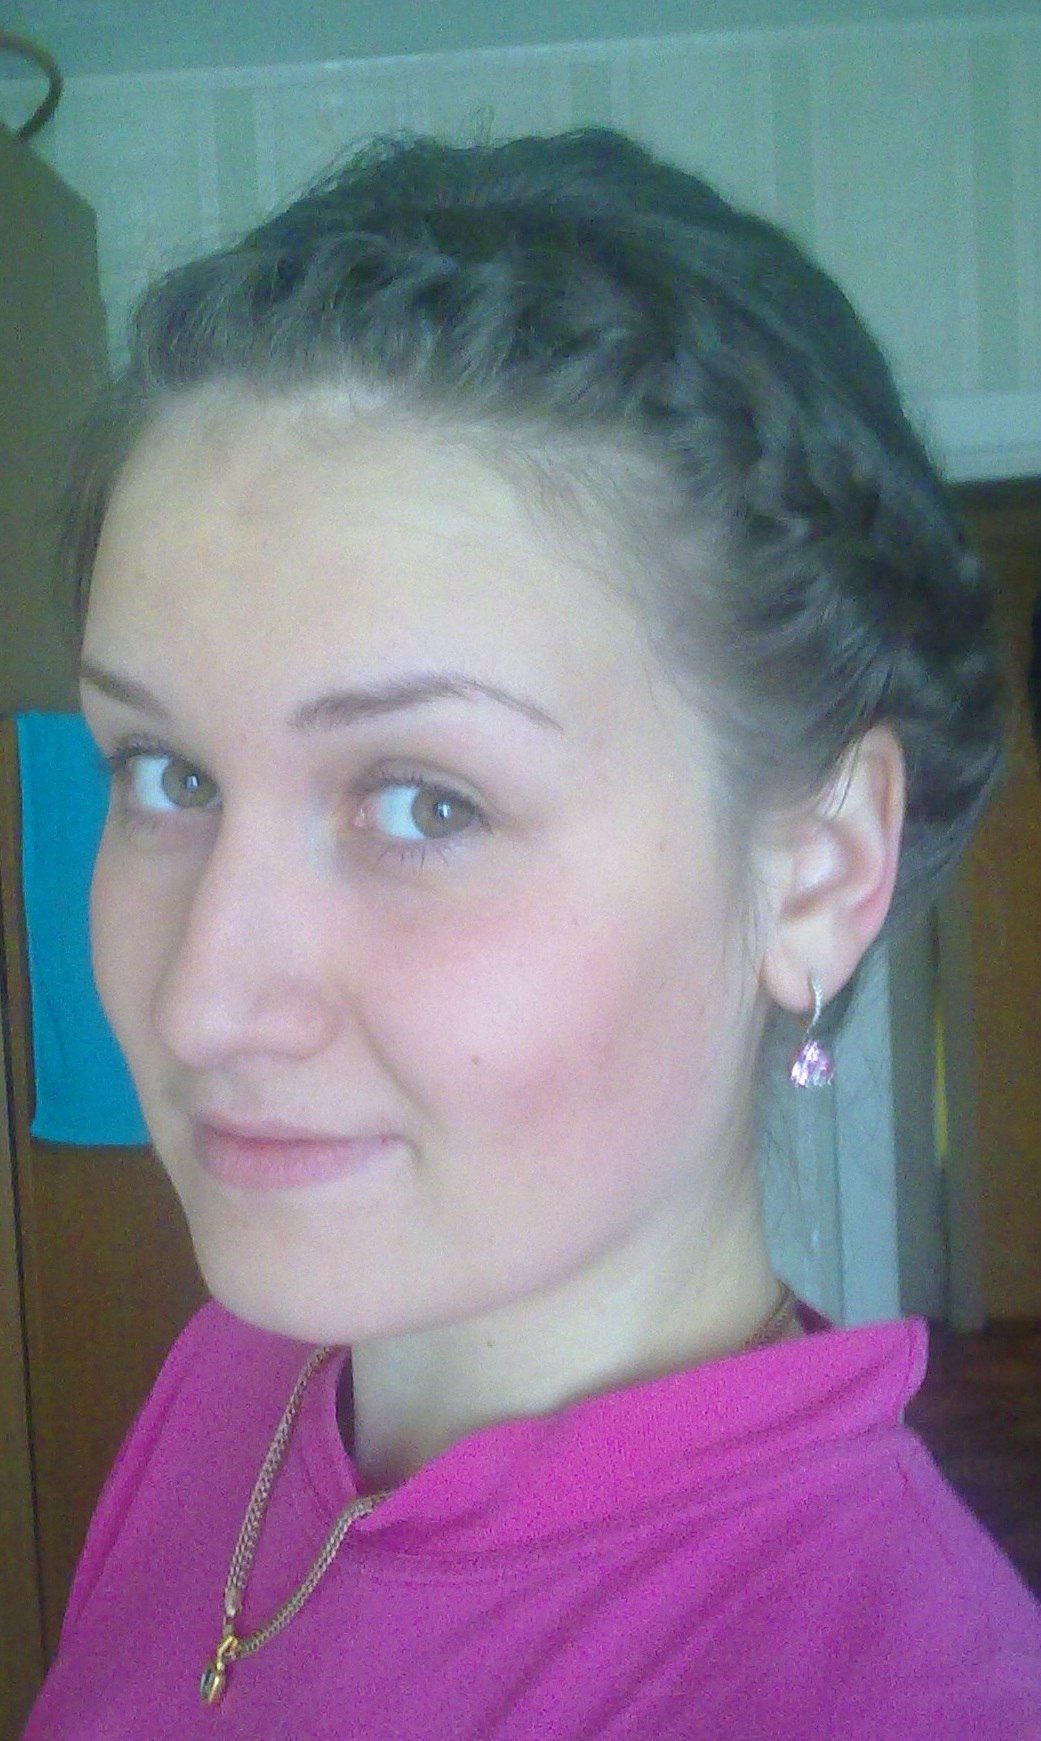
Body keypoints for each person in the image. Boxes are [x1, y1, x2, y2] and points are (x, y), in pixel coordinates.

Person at [24, 129, 1041, 1739]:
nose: (201, 1000)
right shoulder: (238, 1377)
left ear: (816, 872)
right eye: (168, 774)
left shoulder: (890, 1692)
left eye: (424, 801)